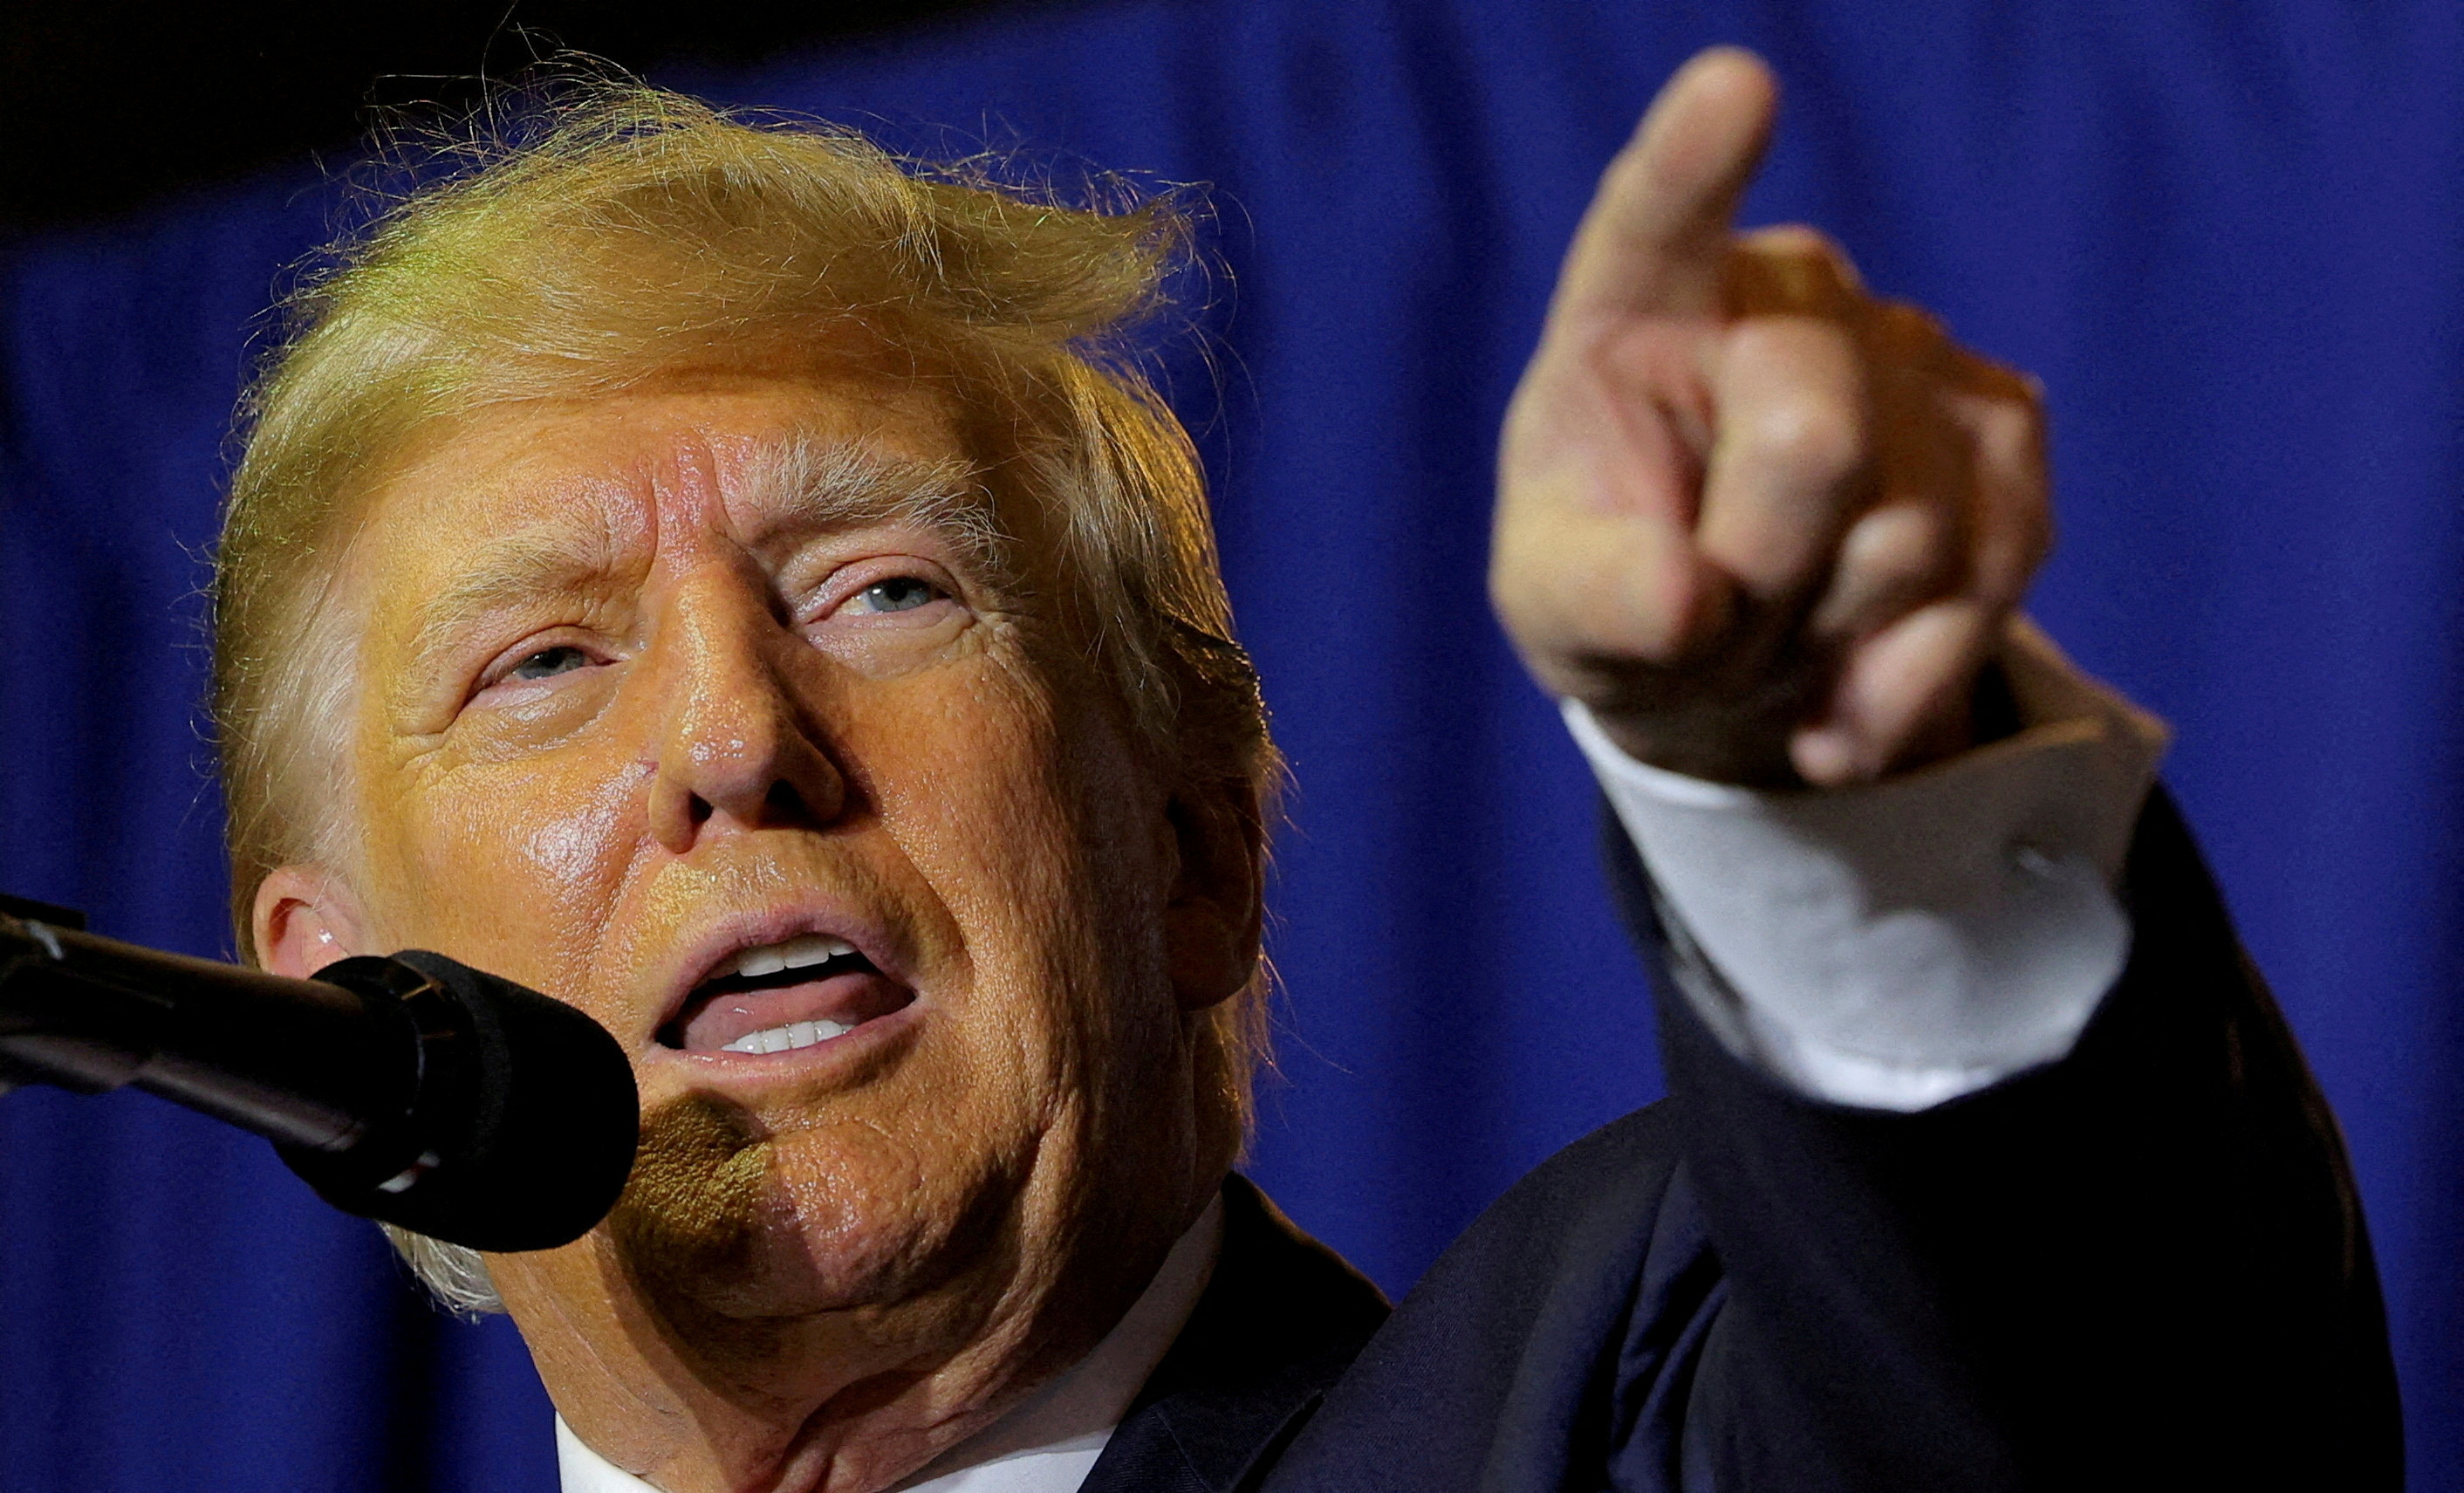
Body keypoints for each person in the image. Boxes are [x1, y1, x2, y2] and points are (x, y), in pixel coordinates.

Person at [209, 45, 2396, 1492]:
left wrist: (1848, 780)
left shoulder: (1619, 1413)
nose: (728, 739)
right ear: (338, 985)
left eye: (880, 590)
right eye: (543, 659)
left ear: (1194, 849)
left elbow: (2073, 1407)